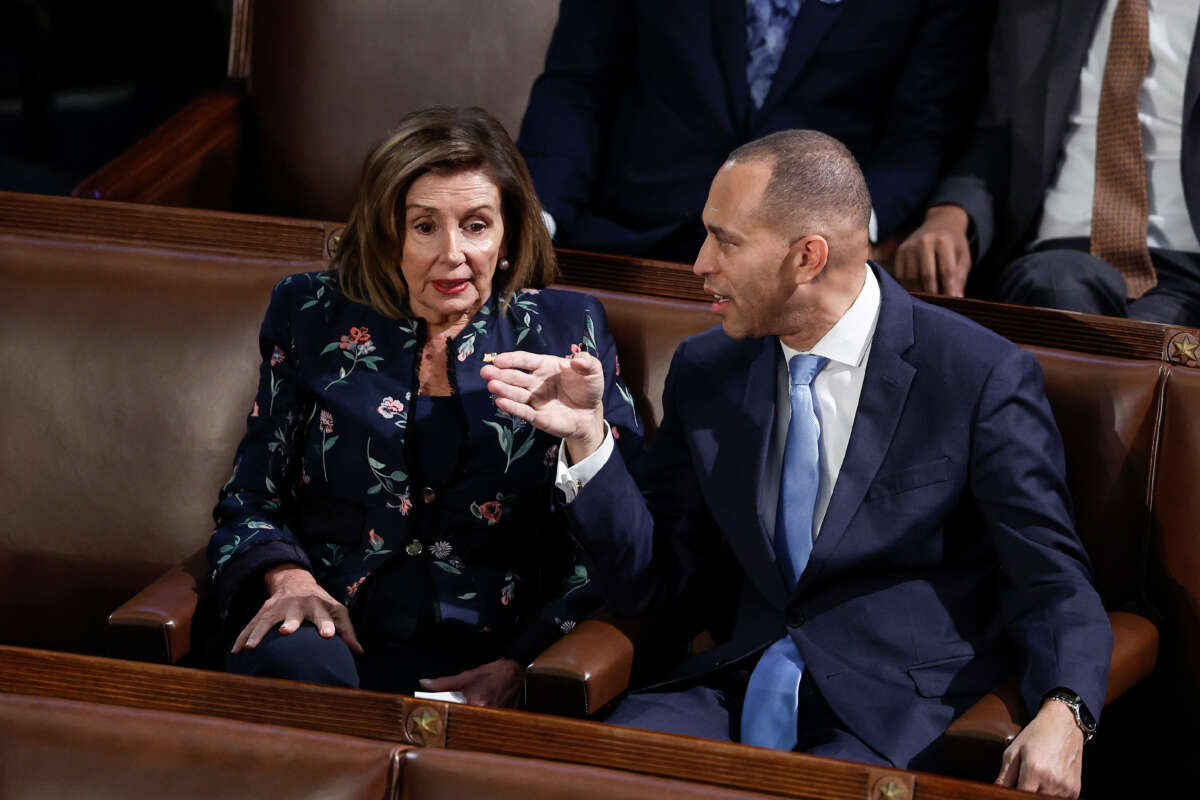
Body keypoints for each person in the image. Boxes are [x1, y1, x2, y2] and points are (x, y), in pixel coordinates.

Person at [483, 130, 1111, 797]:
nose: (699, 264)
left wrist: (1065, 711)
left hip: (896, 718)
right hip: (728, 688)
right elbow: (658, 585)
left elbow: (1052, 579)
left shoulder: (977, 376)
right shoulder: (707, 372)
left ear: (807, 257)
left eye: (725, 242)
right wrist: (587, 437)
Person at [206, 106, 642, 705]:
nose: (453, 253)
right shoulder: (309, 313)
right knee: (297, 658)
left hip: (493, 648)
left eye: (476, 225)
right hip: (334, 631)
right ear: (390, 235)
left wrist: (522, 662)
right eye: (425, 226)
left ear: (508, 236)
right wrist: (291, 580)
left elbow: (622, 553)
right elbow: (250, 496)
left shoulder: (566, 330)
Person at [516, 0, 994, 263]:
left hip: (801, 260)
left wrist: (850, 227)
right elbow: (578, 86)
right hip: (626, 242)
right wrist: (535, 217)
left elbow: (921, 132)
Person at [893, 0, 1200, 327]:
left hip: (1184, 266)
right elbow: (1000, 137)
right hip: (1059, 258)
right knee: (1059, 290)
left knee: (1146, 341)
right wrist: (949, 215)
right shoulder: (1038, 9)